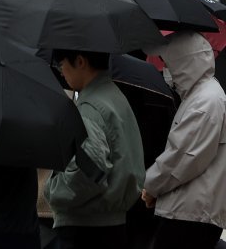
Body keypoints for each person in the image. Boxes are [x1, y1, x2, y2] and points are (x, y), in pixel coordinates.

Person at [45, 49, 145, 248]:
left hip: (86, 229)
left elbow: (89, 170)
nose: (61, 72)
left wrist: (53, 191)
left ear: (80, 61)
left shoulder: (90, 106)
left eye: (62, 64)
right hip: (112, 223)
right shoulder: (114, 96)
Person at [141, 32, 226, 248]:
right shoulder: (201, 95)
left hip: (190, 213)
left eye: (168, 62)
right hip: (191, 210)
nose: (166, 70)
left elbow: (182, 156)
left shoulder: (204, 100)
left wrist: (151, 186)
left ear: (183, 62)